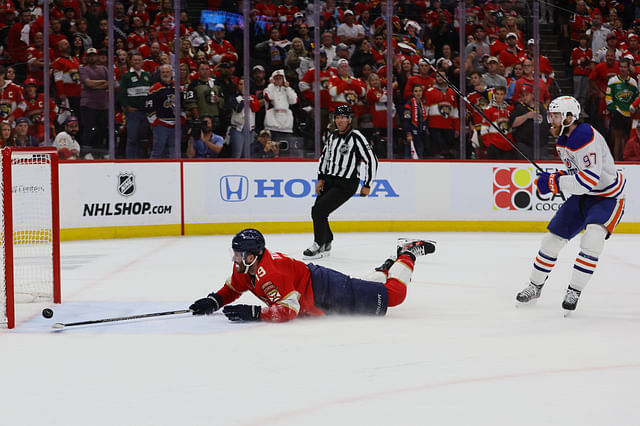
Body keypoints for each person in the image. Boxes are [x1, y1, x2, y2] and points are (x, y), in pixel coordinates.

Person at [516, 96, 626, 314]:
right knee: (550, 242)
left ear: (570, 117)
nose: (552, 119)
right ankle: (535, 286)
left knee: (592, 240)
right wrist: (557, 177)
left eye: (556, 115)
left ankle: (574, 290)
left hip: (607, 197)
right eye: (551, 114)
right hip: (584, 196)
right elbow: (577, 172)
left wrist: (554, 182)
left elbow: (589, 180)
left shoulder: (585, 136)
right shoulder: (562, 140)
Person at [189, 228, 436, 322]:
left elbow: (288, 310)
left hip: (324, 289)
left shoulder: (270, 274)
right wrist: (215, 300)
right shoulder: (245, 266)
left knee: (392, 297)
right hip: (316, 292)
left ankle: (407, 253)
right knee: (368, 289)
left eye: (239, 254)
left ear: (252, 255)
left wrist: (254, 313)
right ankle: (386, 268)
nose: (235, 258)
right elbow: (234, 287)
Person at [304, 104, 378, 259]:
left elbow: (372, 160)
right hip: (330, 180)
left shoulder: (356, 136)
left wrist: (367, 183)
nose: (339, 120)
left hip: (347, 184)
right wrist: (320, 179)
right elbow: (324, 158)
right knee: (317, 210)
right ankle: (327, 240)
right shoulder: (332, 136)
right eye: (337, 117)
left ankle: (318, 245)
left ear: (350, 119)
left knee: (319, 211)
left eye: (343, 117)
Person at [118, 52, 152, 159]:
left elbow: (151, 92)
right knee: (132, 138)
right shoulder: (126, 76)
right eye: (135, 60)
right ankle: (131, 160)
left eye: (139, 60)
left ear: (142, 62)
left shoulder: (147, 75)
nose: (137, 62)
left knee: (143, 138)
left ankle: (142, 161)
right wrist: (127, 107)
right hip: (133, 112)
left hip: (145, 112)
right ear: (131, 62)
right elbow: (121, 94)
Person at [79, 47, 109, 158]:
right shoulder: (84, 69)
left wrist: (97, 84)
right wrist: (102, 82)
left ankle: (101, 153)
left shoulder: (104, 68)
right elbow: (88, 83)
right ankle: (85, 153)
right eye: (90, 56)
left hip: (103, 105)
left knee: (102, 129)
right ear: (87, 57)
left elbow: (110, 83)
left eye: (94, 55)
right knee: (88, 130)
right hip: (88, 104)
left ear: (96, 56)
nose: (92, 57)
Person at [145, 64, 179, 158]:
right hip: (161, 124)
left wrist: (182, 117)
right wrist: (155, 121)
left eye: (167, 72)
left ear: (172, 73)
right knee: (157, 151)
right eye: (163, 72)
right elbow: (149, 106)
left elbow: (183, 104)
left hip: (175, 124)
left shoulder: (177, 87)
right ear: (160, 74)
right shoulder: (154, 88)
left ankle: (174, 171)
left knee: (175, 151)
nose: (165, 74)